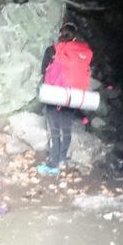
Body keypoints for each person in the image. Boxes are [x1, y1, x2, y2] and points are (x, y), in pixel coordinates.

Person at [37, 23, 93, 176]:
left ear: (60, 34)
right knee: (66, 128)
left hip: (55, 93)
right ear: (75, 36)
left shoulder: (52, 49)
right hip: (72, 95)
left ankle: (52, 165)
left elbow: (43, 70)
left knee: (54, 130)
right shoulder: (82, 53)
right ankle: (62, 160)